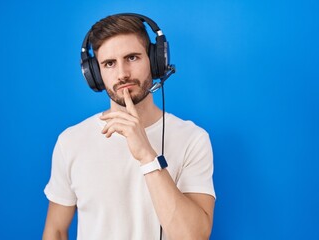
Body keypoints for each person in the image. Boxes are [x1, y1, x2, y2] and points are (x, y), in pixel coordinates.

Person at [42, 13, 215, 240]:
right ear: (95, 74)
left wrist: (147, 156)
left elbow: (193, 237)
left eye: (132, 58)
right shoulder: (71, 141)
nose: (122, 74)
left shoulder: (193, 138)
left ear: (155, 62)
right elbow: (55, 231)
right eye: (109, 63)